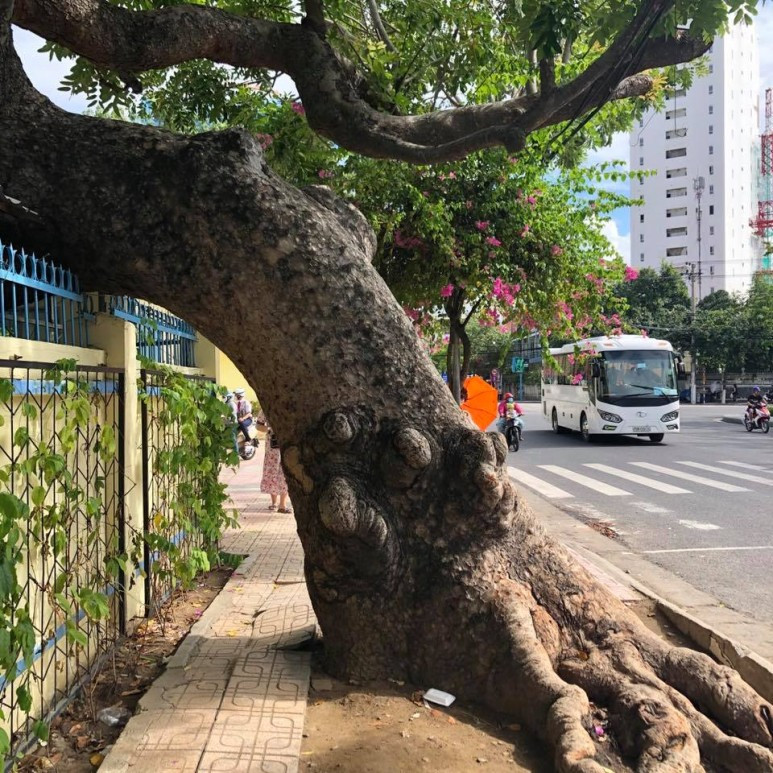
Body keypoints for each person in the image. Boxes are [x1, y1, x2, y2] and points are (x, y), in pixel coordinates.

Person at [255, 409, 291, 513]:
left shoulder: (288, 407)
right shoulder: (266, 408)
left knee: (284, 472)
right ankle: (274, 502)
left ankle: (282, 504)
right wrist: (269, 429)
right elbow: (258, 425)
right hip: (272, 446)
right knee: (272, 471)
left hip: (287, 444)